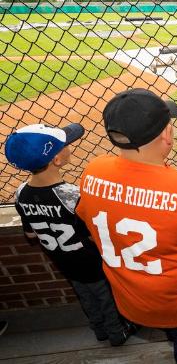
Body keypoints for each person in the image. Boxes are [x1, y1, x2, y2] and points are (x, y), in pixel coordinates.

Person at [75, 89, 177, 364]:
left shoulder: (92, 172)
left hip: (131, 301)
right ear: (166, 135)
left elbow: (86, 220)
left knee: (172, 330)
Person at [5, 123, 133, 346]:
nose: (70, 146)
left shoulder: (20, 194)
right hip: (91, 261)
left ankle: (99, 330)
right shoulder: (72, 195)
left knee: (85, 296)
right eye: (65, 145)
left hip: (62, 260)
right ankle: (116, 334)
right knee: (105, 296)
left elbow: (31, 235)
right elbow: (95, 234)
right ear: (56, 159)